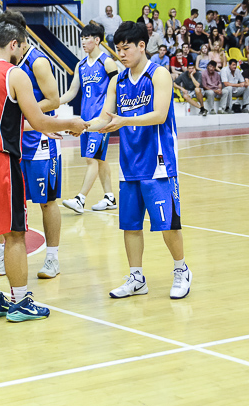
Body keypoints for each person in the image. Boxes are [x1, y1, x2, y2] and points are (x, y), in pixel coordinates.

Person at [0, 10, 86, 322]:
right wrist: (70, 122)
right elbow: (40, 120)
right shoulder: (14, 74)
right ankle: (20, 302)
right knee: (15, 234)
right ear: (14, 44)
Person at [86, 21, 190, 300]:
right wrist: (81, 126)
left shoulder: (159, 74)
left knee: (168, 224)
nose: (121, 54)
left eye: (126, 48)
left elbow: (159, 114)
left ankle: (181, 270)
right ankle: (136, 278)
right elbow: (104, 118)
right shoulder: (117, 81)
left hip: (158, 163)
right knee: (130, 225)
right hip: (129, 164)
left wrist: (123, 120)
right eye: (118, 49)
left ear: (142, 46)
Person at [13, 12, 66, 280]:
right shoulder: (6, 61)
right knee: (14, 201)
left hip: (40, 141)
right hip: (15, 140)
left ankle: (52, 258)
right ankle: (10, 256)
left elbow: (54, 100)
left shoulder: (38, 61)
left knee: (47, 202)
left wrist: (25, 110)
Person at [60, 23, 118, 214]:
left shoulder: (107, 63)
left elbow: (118, 88)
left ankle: (80, 199)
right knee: (98, 159)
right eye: (82, 38)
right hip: (85, 120)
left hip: (101, 120)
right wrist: (53, 102)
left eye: (87, 38)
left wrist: (113, 115)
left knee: (92, 158)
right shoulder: (81, 65)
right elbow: (72, 92)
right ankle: (109, 197)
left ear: (97, 40)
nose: (83, 42)